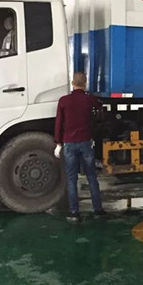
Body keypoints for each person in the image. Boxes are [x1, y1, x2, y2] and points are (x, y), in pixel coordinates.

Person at [54, 72, 105, 220]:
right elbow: (100, 108)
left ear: (72, 83)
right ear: (85, 83)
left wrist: (58, 142)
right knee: (91, 177)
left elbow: (59, 123)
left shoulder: (63, 101)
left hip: (69, 143)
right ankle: (98, 210)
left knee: (72, 179)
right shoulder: (89, 100)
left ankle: (74, 213)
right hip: (85, 142)